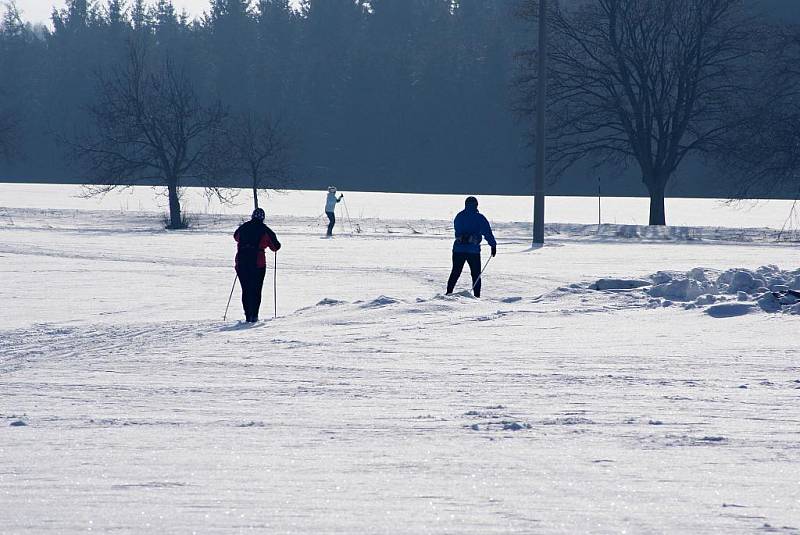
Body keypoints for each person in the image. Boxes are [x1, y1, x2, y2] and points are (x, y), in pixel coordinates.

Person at [234, 208, 281, 322]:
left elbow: (236, 237)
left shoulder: (243, 227)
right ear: (263, 218)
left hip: (241, 262)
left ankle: (247, 315)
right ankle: (254, 315)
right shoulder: (265, 230)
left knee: (246, 290)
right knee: (256, 289)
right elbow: (276, 247)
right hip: (257, 264)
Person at [446, 196, 496, 298]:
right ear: (476, 205)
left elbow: (457, 231)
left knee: (455, 272)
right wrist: (493, 245)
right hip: (473, 251)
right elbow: (487, 232)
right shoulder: (479, 218)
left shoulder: (459, 216)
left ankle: (448, 292)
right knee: (476, 274)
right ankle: (477, 296)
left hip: (458, 250)